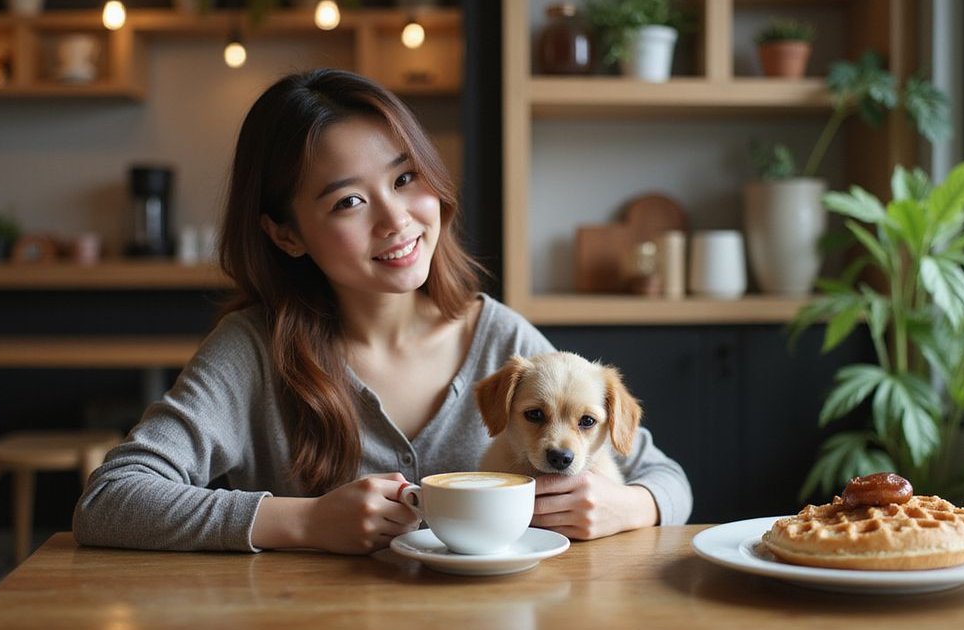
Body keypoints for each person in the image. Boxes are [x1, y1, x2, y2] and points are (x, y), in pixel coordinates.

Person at [73, 69, 691, 554]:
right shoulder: (254, 352)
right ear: (287, 235)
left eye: (404, 178)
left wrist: (627, 507)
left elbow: (668, 481)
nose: (396, 220)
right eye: (347, 201)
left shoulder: (501, 339)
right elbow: (109, 501)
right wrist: (306, 521)